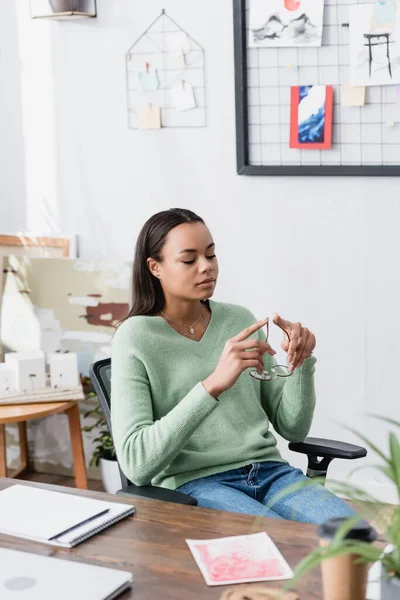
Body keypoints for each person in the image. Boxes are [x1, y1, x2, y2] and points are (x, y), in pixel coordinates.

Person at [111, 208, 355, 523]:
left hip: (272, 472)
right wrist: (213, 384)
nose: (206, 268)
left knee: (357, 545)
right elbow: (136, 463)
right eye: (189, 260)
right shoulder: (135, 337)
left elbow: (292, 427)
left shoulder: (237, 318)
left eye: (211, 256)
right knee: (283, 548)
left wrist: (301, 364)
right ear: (155, 267)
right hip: (196, 482)